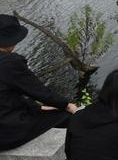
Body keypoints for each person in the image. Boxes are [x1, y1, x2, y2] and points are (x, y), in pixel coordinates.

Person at [0, 14, 78, 151]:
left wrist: (37, 108)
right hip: (7, 131)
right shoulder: (9, 62)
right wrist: (66, 104)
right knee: (72, 119)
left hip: (7, 116)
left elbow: (6, 95)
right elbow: (40, 92)